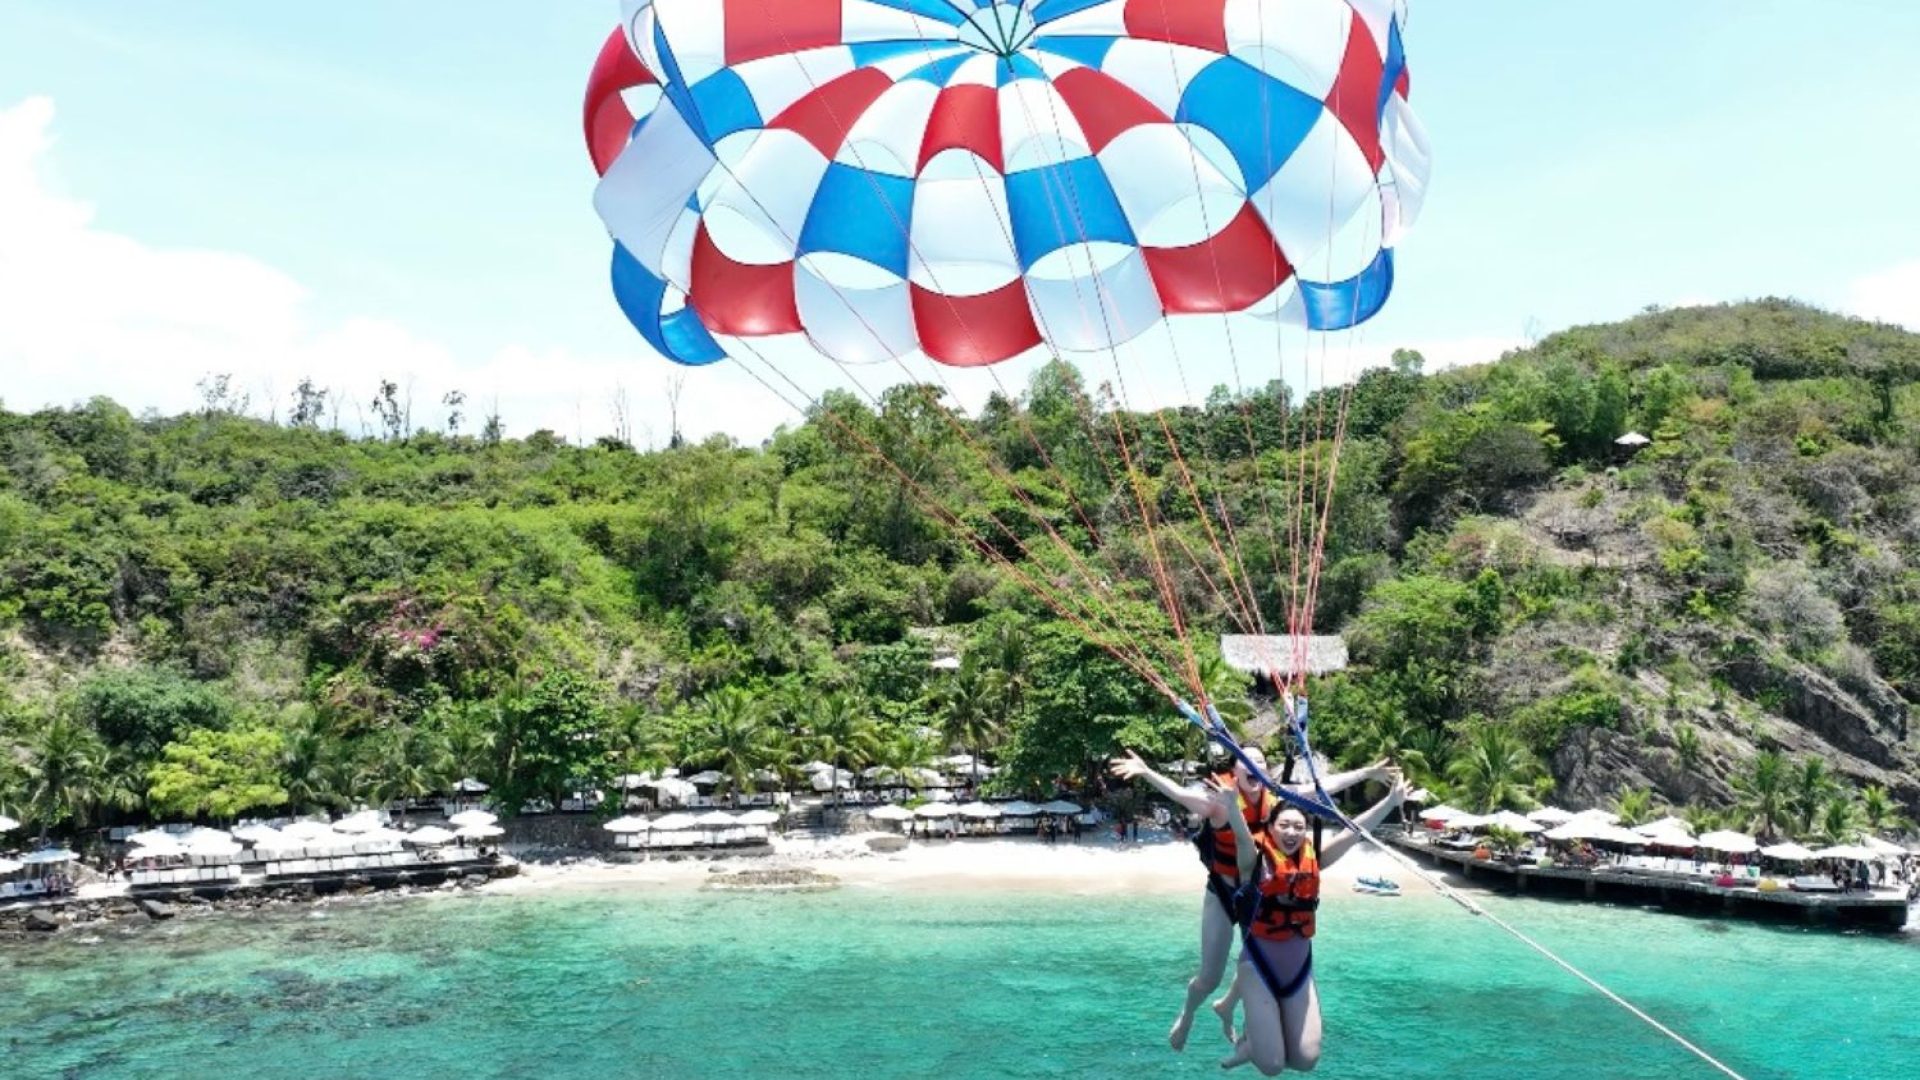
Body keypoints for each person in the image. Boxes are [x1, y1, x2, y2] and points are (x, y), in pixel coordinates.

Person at [1107, 746, 1395, 1052]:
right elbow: (1179, 794)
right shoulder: (1219, 801)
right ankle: (1187, 1014)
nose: (1254, 765)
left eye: (1260, 761)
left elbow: (1324, 787)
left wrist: (1367, 772)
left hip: (1257, 894)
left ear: (1266, 771)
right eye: (1246, 761)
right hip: (1223, 892)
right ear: (1235, 771)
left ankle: (1227, 1007)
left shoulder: (1277, 798)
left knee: (1259, 962)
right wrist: (1147, 772)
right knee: (1209, 978)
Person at [1216, 775, 1413, 1075]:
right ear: (1270, 827)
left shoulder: (1314, 859)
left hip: (1299, 970)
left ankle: (1251, 1023)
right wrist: (1232, 807)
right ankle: (1249, 1043)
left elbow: (1354, 831)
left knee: (1305, 1060)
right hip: (1257, 966)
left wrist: (1389, 802)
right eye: (1284, 825)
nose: (1291, 832)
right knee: (1272, 1066)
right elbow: (1243, 838)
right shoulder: (1253, 863)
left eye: (1299, 827)